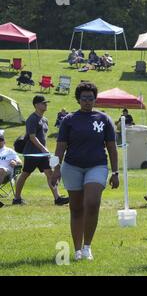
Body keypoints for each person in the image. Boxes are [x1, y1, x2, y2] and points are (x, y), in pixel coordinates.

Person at [51, 82, 120, 261]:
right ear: (78, 99)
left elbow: (112, 148)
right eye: (84, 98)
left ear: (95, 99)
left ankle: (87, 247)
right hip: (72, 166)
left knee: (92, 202)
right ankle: (77, 250)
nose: (88, 101)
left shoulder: (104, 119)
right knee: (76, 208)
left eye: (91, 98)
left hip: (97, 165)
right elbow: (59, 148)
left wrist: (115, 172)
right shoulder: (69, 120)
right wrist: (56, 169)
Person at [13, 96, 69, 206]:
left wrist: (44, 151)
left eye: (46, 102)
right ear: (36, 105)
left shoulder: (45, 120)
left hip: (42, 154)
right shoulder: (32, 119)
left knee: (50, 174)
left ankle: (57, 199)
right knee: (25, 174)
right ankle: (17, 198)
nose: (46, 105)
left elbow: (42, 137)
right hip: (32, 153)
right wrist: (43, 149)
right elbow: (32, 137)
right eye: (43, 103)